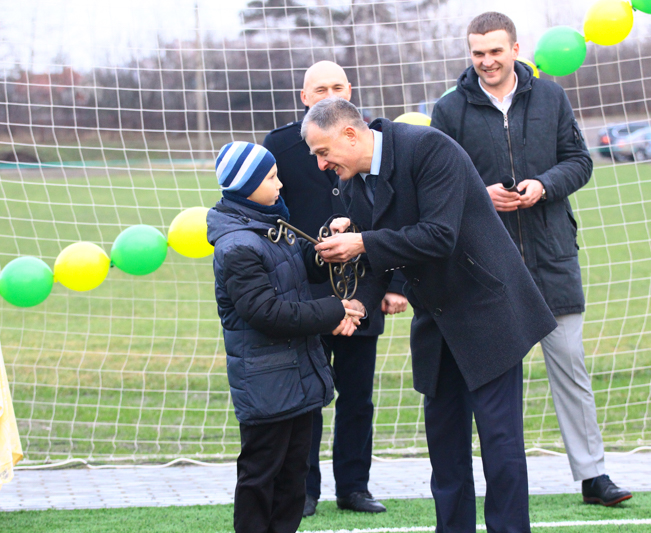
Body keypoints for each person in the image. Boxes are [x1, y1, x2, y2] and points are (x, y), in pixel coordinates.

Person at [304, 96, 558, 533]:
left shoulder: (428, 148)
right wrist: (359, 304)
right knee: (445, 450)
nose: (321, 164)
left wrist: (361, 242)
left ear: (350, 134)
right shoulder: (352, 183)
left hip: (488, 313)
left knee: (500, 445)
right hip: (435, 322)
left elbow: (439, 236)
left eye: (323, 152)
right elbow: (379, 264)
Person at [430, 11, 632, 507]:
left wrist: (544, 185)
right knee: (494, 383)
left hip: (552, 258)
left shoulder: (551, 97)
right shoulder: (449, 110)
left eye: (495, 51)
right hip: (486, 269)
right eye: (478, 53)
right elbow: (435, 183)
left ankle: (593, 476)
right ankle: (498, 483)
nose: (487, 61)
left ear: (515, 49)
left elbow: (579, 161)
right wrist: (481, 195)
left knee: (570, 368)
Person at [263, 61, 408, 517]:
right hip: (303, 296)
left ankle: (354, 487)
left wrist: (395, 283)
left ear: (350, 92)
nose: (328, 94)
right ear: (303, 97)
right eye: (319, 89)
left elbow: (400, 214)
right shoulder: (279, 146)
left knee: (358, 397)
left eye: (337, 87)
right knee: (306, 395)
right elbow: (271, 217)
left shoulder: (374, 143)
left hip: (365, 287)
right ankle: (302, 490)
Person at [207, 140, 364, 533]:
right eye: (271, 178)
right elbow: (267, 313)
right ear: (247, 186)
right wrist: (334, 310)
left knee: (293, 478)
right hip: (266, 382)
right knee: (262, 477)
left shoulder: (272, 227)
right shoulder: (238, 245)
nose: (280, 185)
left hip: (296, 375)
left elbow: (295, 271)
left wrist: (324, 248)